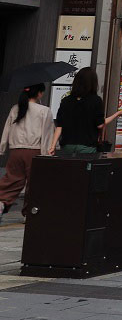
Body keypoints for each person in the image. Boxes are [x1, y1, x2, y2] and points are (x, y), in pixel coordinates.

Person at [0, 84, 52, 219]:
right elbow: (46, 134)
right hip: (34, 151)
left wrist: (2, 147)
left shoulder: (15, 108)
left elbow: (7, 129)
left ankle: (2, 202)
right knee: (34, 183)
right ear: (40, 93)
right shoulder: (44, 110)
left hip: (15, 151)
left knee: (11, 180)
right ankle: (29, 213)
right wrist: (46, 153)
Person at [50, 68, 122, 156]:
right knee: (84, 169)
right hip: (87, 147)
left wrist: (53, 146)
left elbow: (59, 126)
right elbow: (100, 124)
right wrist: (117, 114)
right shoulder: (96, 100)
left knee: (68, 169)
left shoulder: (66, 101)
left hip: (67, 146)